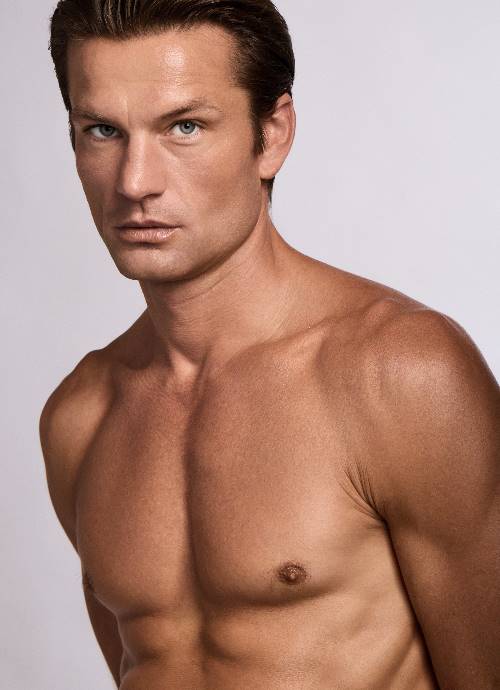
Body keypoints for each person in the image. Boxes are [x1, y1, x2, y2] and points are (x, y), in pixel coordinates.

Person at [39, 1, 500, 688]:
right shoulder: (80, 417)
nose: (135, 182)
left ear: (273, 134)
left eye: (184, 127)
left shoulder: (397, 376)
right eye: (103, 130)